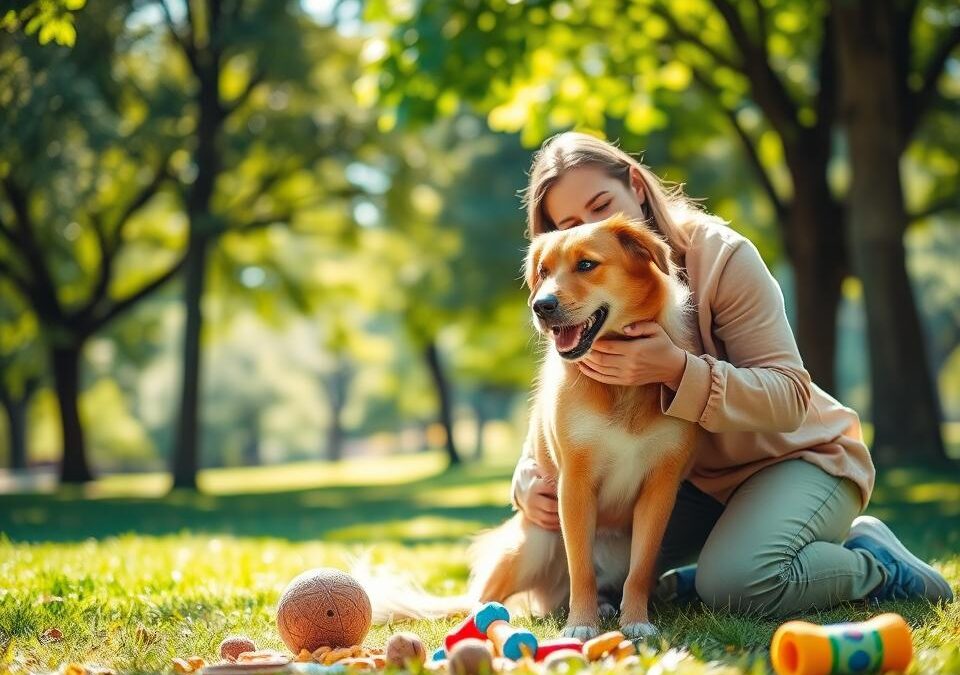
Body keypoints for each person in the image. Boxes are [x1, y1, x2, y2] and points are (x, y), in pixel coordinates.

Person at [510, 131, 953, 617]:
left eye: (601, 206)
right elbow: (556, 421)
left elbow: (790, 397)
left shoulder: (721, 256)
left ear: (635, 186)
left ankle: (873, 562)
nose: (590, 232)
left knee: (741, 584)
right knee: (588, 585)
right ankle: (705, 573)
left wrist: (678, 369)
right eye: (569, 225)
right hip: (697, 486)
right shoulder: (585, 313)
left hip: (794, 459)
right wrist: (526, 482)